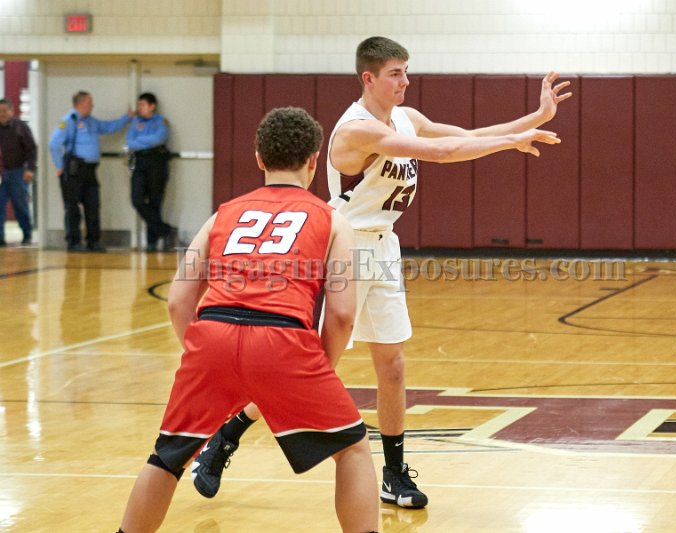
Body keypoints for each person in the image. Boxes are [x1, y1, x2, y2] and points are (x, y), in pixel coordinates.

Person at [193, 36, 571, 509]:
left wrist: (535, 118)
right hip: (344, 246)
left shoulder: (407, 117)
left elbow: (465, 134)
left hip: (383, 247)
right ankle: (225, 436)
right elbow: (442, 153)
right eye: (396, 73)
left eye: (407, 71)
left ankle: (394, 474)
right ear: (368, 78)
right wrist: (511, 143)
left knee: (392, 365)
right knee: (317, 365)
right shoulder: (355, 130)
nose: (405, 81)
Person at [117, 107, 378, 533]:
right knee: (352, 448)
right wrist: (321, 368)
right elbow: (343, 314)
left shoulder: (223, 214)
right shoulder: (333, 220)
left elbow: (178, 301)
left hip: (213, 335)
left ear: (259, 158)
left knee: (166, 457)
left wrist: (206, 358)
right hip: (283, 340)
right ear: (314, 159)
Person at [48, 91, 132, 252]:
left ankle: (93, 241)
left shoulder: (91, 121)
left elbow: (108, 127)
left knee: (93, 205)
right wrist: (60, 166)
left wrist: (126, 118)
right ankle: (73, 242)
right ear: (80, 104)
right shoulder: (69, 121)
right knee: (72, 208)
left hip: (90, 170)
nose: (92, 106)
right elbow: (54, 144)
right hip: (74, 170)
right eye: (89, 102)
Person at [126, 92, 177, 252]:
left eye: (142, 105)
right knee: (137, 199)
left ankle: (151, 242)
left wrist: (140, 140)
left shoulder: (161, 122)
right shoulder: (136, 122)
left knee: (155, 202)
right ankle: (166, 230)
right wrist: (145, 142)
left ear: (152, 106)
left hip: (157, 162)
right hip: (140, 162)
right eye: (139, 105)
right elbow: (130, 141)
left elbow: (159, 139)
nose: (139, 108)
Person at [0, 98, 37, 247]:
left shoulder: (20, 127)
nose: (1, 114)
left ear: (11, 111)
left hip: (18, 172)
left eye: (4, 111)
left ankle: (27, 235)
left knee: (20, 206)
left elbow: (31, 149)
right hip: (2, 172)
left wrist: (30, 169)